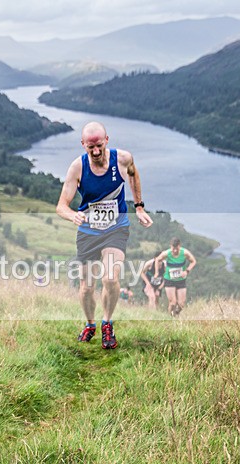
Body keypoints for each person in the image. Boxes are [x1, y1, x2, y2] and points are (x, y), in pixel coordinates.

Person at [56, 121, 153, 349]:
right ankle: (90, 324)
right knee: (87, 286)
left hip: (115, 228)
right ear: (83, 145)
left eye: (99, 145)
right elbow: (61, 205)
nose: (96, 151)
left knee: (110, 278)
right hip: (88, 232)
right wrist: (73, 216)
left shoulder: (122, 158)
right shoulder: (77, 168)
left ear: (106, 140)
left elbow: (133, 172)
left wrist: (138, 206)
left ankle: (107, 323)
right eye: (91, 148)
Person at [156, 237, 197, 317]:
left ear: (179, 246)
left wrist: (187, 271)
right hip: (169, 280)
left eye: (176, 249)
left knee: (181, 304)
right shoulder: (167, 253)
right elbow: (158, 259)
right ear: (170, 246)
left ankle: (176, 315)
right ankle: (170, 317)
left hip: (181, 280)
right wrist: (157, 272)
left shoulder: (185, 252)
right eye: (173, 249)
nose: (175, 251)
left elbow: (193, 261)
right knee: (173, 302)